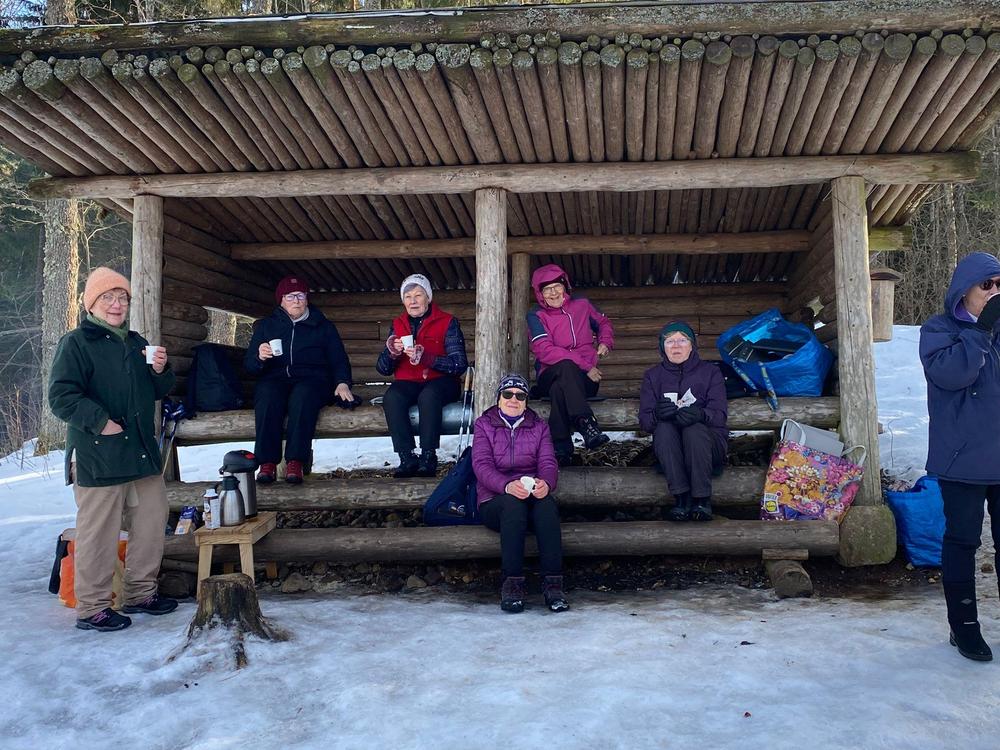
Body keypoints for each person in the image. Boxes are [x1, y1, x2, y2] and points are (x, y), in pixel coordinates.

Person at [48, 267, 179, 632]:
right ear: (91, 303)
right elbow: (60, 396)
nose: (116, 304)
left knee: (152, 518)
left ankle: (140, 592)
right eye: (108, 297)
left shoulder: (136, 342)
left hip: (139, 450)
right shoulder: (76, 343)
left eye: (122, 298)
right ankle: (92, 608)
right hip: (98, 453)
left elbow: (158, 390)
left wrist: (160, 370)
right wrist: (101, 421)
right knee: (99, 532)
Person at [920, 251, 1000, 663]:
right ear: (964, 289)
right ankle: (964, 627)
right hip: (961, 460)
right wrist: (981, 330)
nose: (994, 291)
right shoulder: (939, 329)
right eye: (987, 284)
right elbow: (952, 375)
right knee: (963, 542)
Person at [472, 374, 568, 613]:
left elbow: (548, 461)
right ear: (499, 398)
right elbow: (481, 466)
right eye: (508, 394)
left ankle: (553, 585)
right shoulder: (484, 425)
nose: (513, 400)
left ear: (526, 401)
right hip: (495, 500)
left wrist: (546, 483)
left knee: (547, 506)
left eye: (520, 395)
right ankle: (512, 584)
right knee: (512, 505)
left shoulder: (539, 426)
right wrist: (506, 486)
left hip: (530, 496)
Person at [245, 275, 354, 484]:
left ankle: (295, 462)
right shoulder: (267, 326)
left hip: (313, 380)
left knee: (303, 396)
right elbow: (250, 366)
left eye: (300, 295)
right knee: (267, 395)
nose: (296, 300)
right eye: (290, 296)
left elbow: (339, 359)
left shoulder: (323, 326)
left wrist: (342, 382)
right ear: (281, 300)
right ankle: (267, 463)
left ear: (306, 299)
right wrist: (259, 357)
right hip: (276, 379)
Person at [376, 273, 468, 478]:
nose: (413, 301)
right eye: (408, 297)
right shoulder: (398, 324)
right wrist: (392, 353)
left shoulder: (447, 322)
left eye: (418, 295)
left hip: (442, 382)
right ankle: (406, 457)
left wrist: (426, 357)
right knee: (392, 397)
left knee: (428, 395)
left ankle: (428, 455)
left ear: (428, 298)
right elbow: (383, 369)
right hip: (409, 382)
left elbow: (459, 364)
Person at [638, 321, 728, 522]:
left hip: (708, 446)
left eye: (682, 340)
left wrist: (701, 414)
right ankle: (681, 499)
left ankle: (702, 500)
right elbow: (645, 423)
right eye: (670, 341)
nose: (676, 346)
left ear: (692, 345)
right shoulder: (653, 376)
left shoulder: (710, 372)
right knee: (663, 428)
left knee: (693, 429)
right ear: (662, 347)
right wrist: (657, 414)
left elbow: (720, 415)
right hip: (671, 450)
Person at [526, 264, 615, 465]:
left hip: (584, 380)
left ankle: (561, 448)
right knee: (566, 366)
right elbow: (544, 350)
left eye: (557, 286)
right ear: (540, 294)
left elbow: (603, 323)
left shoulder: (582, 304)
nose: (553, 293)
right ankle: (586, 422)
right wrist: (586, 366)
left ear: (565, 286)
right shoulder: (536, 315)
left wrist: (605, 341)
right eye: (547, 289)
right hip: (550, 374)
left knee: (560, 389)